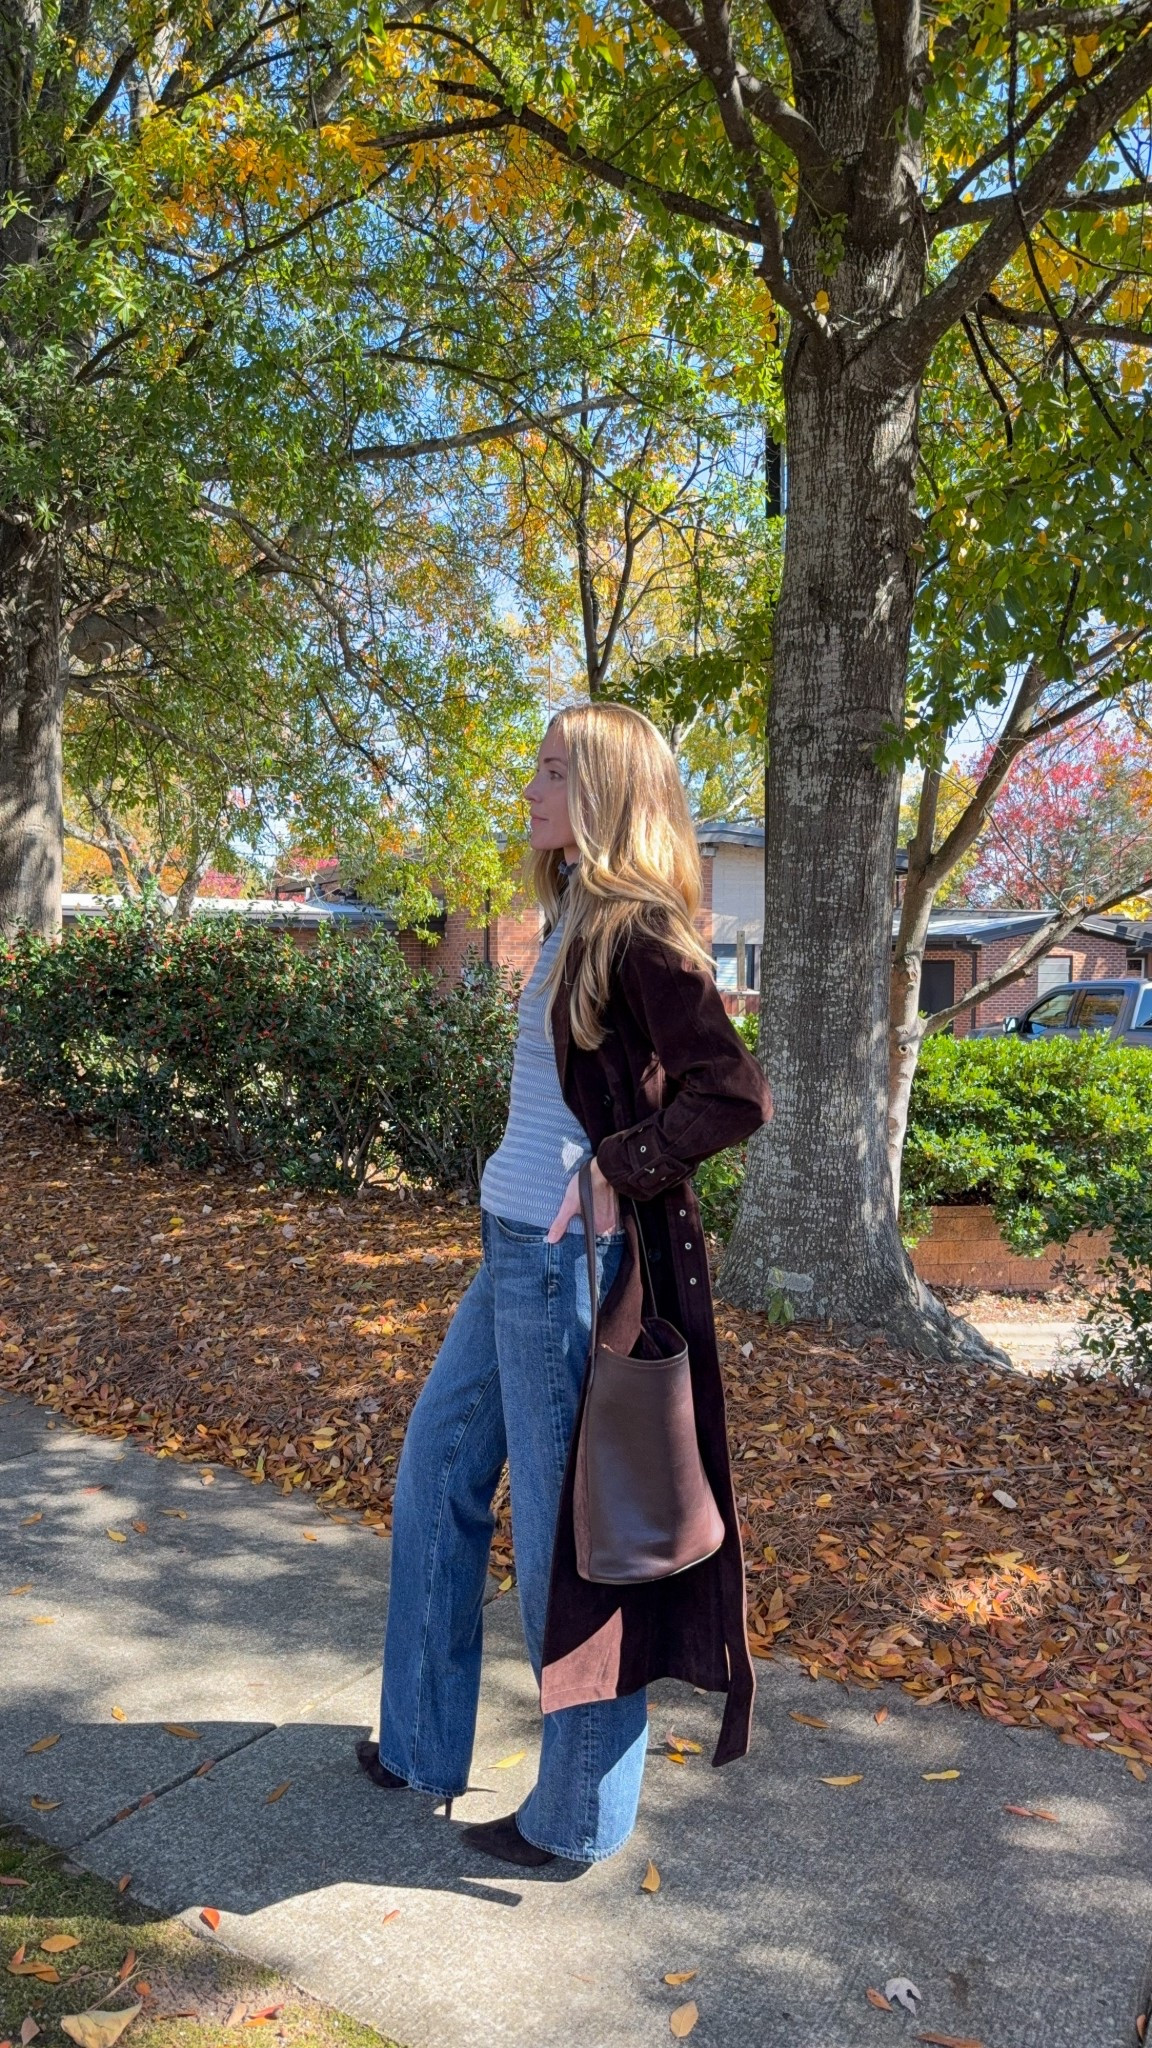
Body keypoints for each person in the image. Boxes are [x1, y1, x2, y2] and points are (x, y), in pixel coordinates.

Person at [358, 701, 772, 1867]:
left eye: (550, 771)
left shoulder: (638, 929)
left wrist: (618, 1172)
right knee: (437, 1467)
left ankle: (576, 1810)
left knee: (563, 1539)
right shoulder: (571, 916)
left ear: (600, 792)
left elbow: (732, 1092)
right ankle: (420, 1739)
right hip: (510, 1249)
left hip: (561, 1266)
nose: (530, 788)